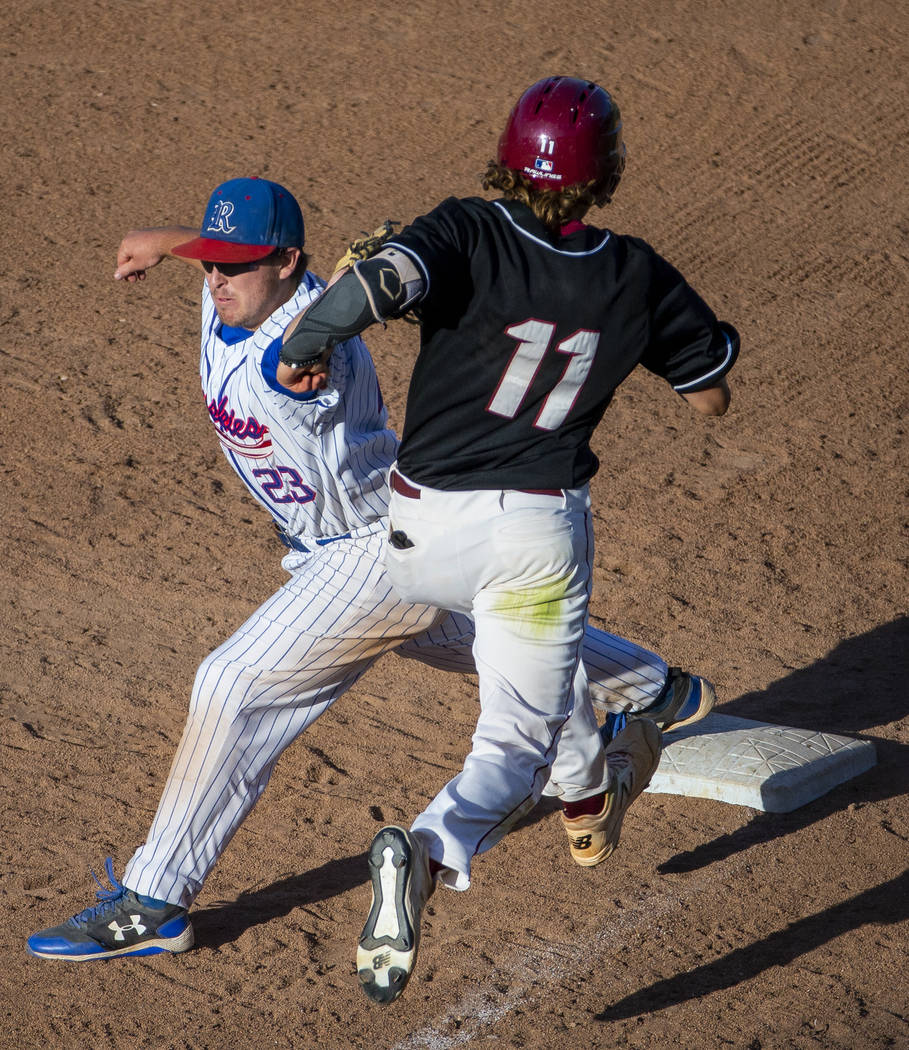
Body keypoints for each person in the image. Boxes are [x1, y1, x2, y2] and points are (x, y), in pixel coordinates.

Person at [26, 175, 716, 964]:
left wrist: (309, 357)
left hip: (367, 546)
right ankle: (649, 690)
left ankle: (156, 901)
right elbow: (219, 260)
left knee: (233, 684)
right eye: (209, 264)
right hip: (383, 544)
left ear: (288, 266)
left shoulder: (304, 348)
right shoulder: (231, 290)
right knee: (468, 628)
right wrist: (168, 239)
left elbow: (305, 355)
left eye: (236, 266)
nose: (216, 280)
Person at [279, 75, 739, 1003]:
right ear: (604, 172)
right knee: (509, 733)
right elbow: (709, 392)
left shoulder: (464, 228)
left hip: (418, 528)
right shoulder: (635, 273)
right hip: (532, 536)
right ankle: (426, 846)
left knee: (536, 664)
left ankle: (583, 803)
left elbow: (369, 290)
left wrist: (306, 345)